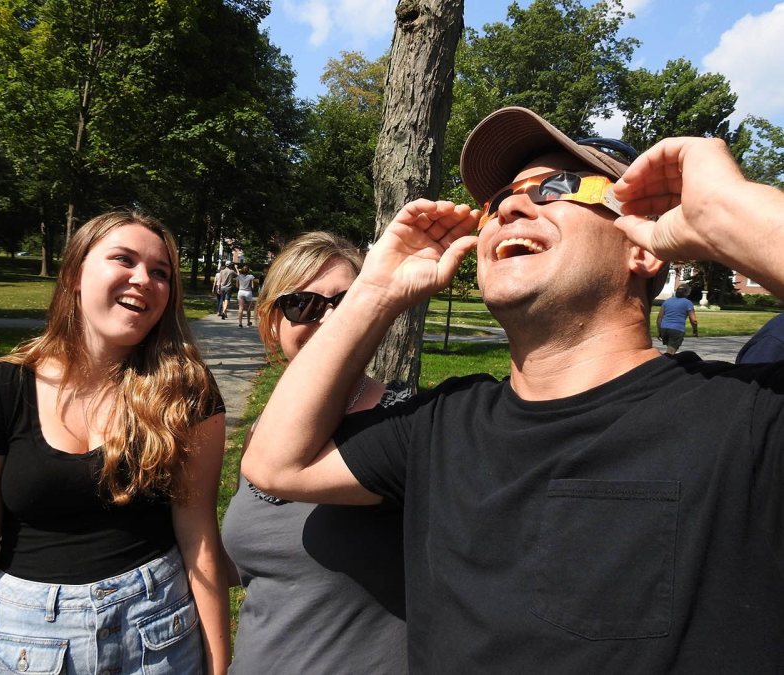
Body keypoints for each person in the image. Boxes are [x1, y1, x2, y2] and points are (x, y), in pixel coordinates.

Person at [241, 107, 784, 672]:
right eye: (499, 198)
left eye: (558, 188)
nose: (508, 206)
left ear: (643, 245)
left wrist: (729, 213)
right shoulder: (441, 423)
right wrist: (376, 289)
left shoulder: (750, 417)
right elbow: (279, 464)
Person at [0, 210, 231, 674]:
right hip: (29, 647)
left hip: (161, 638)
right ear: (74, 274)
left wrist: (217, 666)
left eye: (160, 272)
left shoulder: (186, 392)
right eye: (123, 259)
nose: (143, 279)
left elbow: (199, 538)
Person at [221, 232, 408, 673]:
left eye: (347, 303)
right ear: (271, 322)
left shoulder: (407, 428)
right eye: (302, 304)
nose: (329, 322)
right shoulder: (261, 435)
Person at [656, 283, 698, 354]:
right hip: (677, 329)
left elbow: (659, 318)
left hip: (664, 328)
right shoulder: (688, 303)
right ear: (687, 293)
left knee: (669, 349)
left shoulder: (667, 301)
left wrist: (659, 331)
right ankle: (663, 363)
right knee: (671, 352)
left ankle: (665, 361)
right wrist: (695, 330)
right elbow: (694, 320)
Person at [235, 264, 257, 328]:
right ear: (248, 270)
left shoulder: (239, 276)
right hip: (248, 292)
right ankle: (248, 323)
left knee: (240, 308)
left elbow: (237, 286)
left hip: (241, 292)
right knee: (248, 308)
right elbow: (252, 286)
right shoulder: (251, 276)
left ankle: (240, 324)